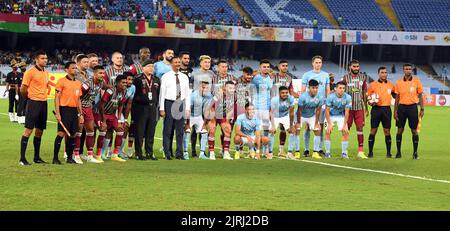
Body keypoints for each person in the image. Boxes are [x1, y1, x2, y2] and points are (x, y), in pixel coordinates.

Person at [19, 50, 49, 165]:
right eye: (42, 58)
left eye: (46, 58)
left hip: (43, 103)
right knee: (28, 130)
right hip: (33, 103)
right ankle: (22, 158)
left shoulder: (46, 72)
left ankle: (36, 157)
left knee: (40, 131)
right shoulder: (30, 72)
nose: (45, 60)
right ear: (36, 59)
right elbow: (23, 88)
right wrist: (28, 98)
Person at [159, 56, 191, 160]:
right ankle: (167, 152)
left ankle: (179, 153)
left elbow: (187, 94)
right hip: (169, 102)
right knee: (168, 130)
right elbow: (162, 93)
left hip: (180, 103)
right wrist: (162, 108)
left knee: (180, 130)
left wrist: (187, 108)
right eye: (175, 62)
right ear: (171, 64)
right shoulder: (165, 76)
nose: (178, 64)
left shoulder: (184, 77)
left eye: (179, 62)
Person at [53, 61, 84, 164]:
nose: (75, 70)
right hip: (64, 110)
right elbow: (56, 98)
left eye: (76, 68)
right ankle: (55, 158)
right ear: (67, 70)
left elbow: (79, 100)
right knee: (61, 134)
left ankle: (70, 158)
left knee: (73, 134)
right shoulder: (61, 81)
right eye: (73, 68)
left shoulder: (78, 83)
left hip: (74, 111)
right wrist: (58, 113)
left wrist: (80, 114)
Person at [75, 65, 106, 163]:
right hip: (80, 107)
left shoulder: (102, 83)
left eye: (103, 73)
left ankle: (89, 156)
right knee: (79, 131)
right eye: (100, 73)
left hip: (88, 108)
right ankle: (75, 155)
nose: (102, 75)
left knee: (91, 131)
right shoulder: (87, 84)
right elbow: (78, 98)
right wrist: (79, 113)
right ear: (94, 73)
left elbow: (106, 86)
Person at [130, 60, 160, 160]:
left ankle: (149, 152)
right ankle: (138, 153)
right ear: (143, 68)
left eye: (152, 66)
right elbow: (133, 94)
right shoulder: (137, 79)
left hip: (152, 107)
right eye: (149, 66)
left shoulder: (156, 79)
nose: (151, 68)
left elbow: (158, 94)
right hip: (140, 107)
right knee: (140, 131)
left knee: (151, 131)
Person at [95, 75, 128, 162]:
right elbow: (101, 104)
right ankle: (99, 154)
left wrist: (119, 119)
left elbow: (121, 105)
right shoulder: (110, 91)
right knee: (103, 129)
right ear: (117, 83)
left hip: (112, 114)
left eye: (126, 82)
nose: (125, 84)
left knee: (120, 130)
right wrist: (104, 120)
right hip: (101, 113)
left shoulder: (124, 91)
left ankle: (114, 154)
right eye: (123, 82)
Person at [301, 55, 330, 158]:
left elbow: (327, 89)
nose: (318, 64)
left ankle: (319, 148)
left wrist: (327, 102)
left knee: (320, 127)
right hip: (309, 104)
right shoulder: (306, 75)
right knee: (308, 127)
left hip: (322, 104)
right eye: (316, 62)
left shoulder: (325, 75)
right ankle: (306, 149)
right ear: (312, 63)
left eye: (320, 62)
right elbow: (303, 89)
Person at [394, 63, 424, 160]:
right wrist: (395, 111)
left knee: (414, 131)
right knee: (400, 130)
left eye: (409, 69)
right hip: (401, 108)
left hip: (412, 108)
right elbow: (397, 98)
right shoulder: (398, 82)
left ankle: (415, 153)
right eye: (406, 69)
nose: (408, 70)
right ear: (403, 70)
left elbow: (420, 96)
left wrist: (422, 109)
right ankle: (398, 152)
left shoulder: (416, 81)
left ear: (411, 70)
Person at [342, 59, 369, 159]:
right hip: (348, 109)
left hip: (359, 108)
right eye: (354, 66)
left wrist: (366, 108)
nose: (356, 68)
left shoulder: (363, 77)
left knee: (360, 128)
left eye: (357, 66)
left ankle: (361, 152)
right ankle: (344, 152)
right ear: (350, 67)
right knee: (346, 129)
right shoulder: (345, 78)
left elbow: (364, 93)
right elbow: (341, 92)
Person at [367, 66, 396, 158]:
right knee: (373, 130)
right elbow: (369, 98)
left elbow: (396, 96)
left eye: (385, 72)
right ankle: (370, 152)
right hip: (376, 109)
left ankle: (388, 153)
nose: (384, 74)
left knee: (387, 131)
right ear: (378, 74)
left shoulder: (391, 85)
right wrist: (370, 103)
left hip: (387, 110)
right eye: (382, 72)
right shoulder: (373, 85)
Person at [208, 81, 236, 160]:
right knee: (212, 129)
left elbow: (231, 109)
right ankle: (211, 152)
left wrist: (227, 120)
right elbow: (211, 106)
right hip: (213, 113)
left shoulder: (234, 97)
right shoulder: (218, 95)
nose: (232, 90)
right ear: (225, 88)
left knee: (228, 130)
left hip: (223, 114)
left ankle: (226, 153)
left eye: (233, 88)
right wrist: (213, 120)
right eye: (230, 88)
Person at [184, 79, 211, 160]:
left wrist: (204, 124)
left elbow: (207, 111)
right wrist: (187, 123)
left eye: (206, 88)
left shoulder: (209, 96)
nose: (205, 89)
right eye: (203, 87)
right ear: (199, 87)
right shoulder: (193, 95)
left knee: (204, 131)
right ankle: (185, 152)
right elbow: (188, 109)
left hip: (199, 116)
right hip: (190, 116)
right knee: (187, 131)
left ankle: (202, 154)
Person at [296, 79, 324, 159]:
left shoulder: (320, 96)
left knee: (317, 129)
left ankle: (315, 152)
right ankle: (297, 152)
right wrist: (298, 122)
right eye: (313, 88)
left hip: (311, 116)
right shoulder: (303, 96)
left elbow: (318, 110)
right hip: (301, 116)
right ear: (309, 87)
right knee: (297, 130)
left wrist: (316, 122)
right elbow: (299, 110)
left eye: (316, 88)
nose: (315, 90)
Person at [324, 81, 352, 159]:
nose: (342, 90)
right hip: (330, 116)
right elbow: (327, 111)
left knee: (346, 132)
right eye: (340, 88)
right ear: (336, 88)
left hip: (341, 116)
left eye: (343, 88)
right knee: (328, 131)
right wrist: (329, 123)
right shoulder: (330, 97)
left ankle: (344, 153)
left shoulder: (348, 97)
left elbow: (347, 112)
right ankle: (327, 152)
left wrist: (344, 125)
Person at [252, 59, 273, 157]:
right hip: (256, 108)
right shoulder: (256, 78)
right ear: (260, 68)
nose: (266, 68)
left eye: (268, 67)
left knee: (266, 130)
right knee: (256, 130)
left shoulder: (270, 78)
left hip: (266, 108)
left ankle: (265, 150)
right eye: (264, 67)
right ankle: (255, 150)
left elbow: (270, 93)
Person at [269, 86, 295, 159]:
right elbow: (271, 113)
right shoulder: (274, 100)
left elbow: (292, 113)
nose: (285, 94)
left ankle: (289, 153)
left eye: (286, 93)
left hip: (285, 116)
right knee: (271, 132)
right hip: (275, 116)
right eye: (283, 93)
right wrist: (273, 126)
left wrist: (291, 126)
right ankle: (270, 152)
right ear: (279, 93)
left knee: (292, 131)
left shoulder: (291, 98)